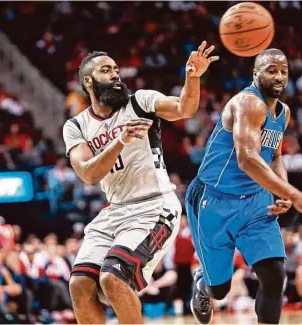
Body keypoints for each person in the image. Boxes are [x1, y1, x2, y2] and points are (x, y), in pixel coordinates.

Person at [63, 41, 219, 324]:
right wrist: (119, 141)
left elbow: (184, 108)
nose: (115, 75)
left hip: (154, 206)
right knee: (80, 285)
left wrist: (193, 78)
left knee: (112, 278)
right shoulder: (76, 126)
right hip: (115, 210)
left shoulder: (139, 101)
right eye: (106, 70)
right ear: (88, 81)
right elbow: (88, 174)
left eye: (116, 70)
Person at [185, 48, 302, 325]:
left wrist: (281, 191)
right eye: (271, 70)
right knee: (220, 289)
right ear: (255, 74)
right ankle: (203, 284)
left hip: (255, 200)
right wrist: (295, 194)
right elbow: (247, 159)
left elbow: (274, 156)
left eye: (283, 71)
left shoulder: (283, 112)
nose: (279, 76)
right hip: (213, 200)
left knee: (275, 274)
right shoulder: (247, 104)